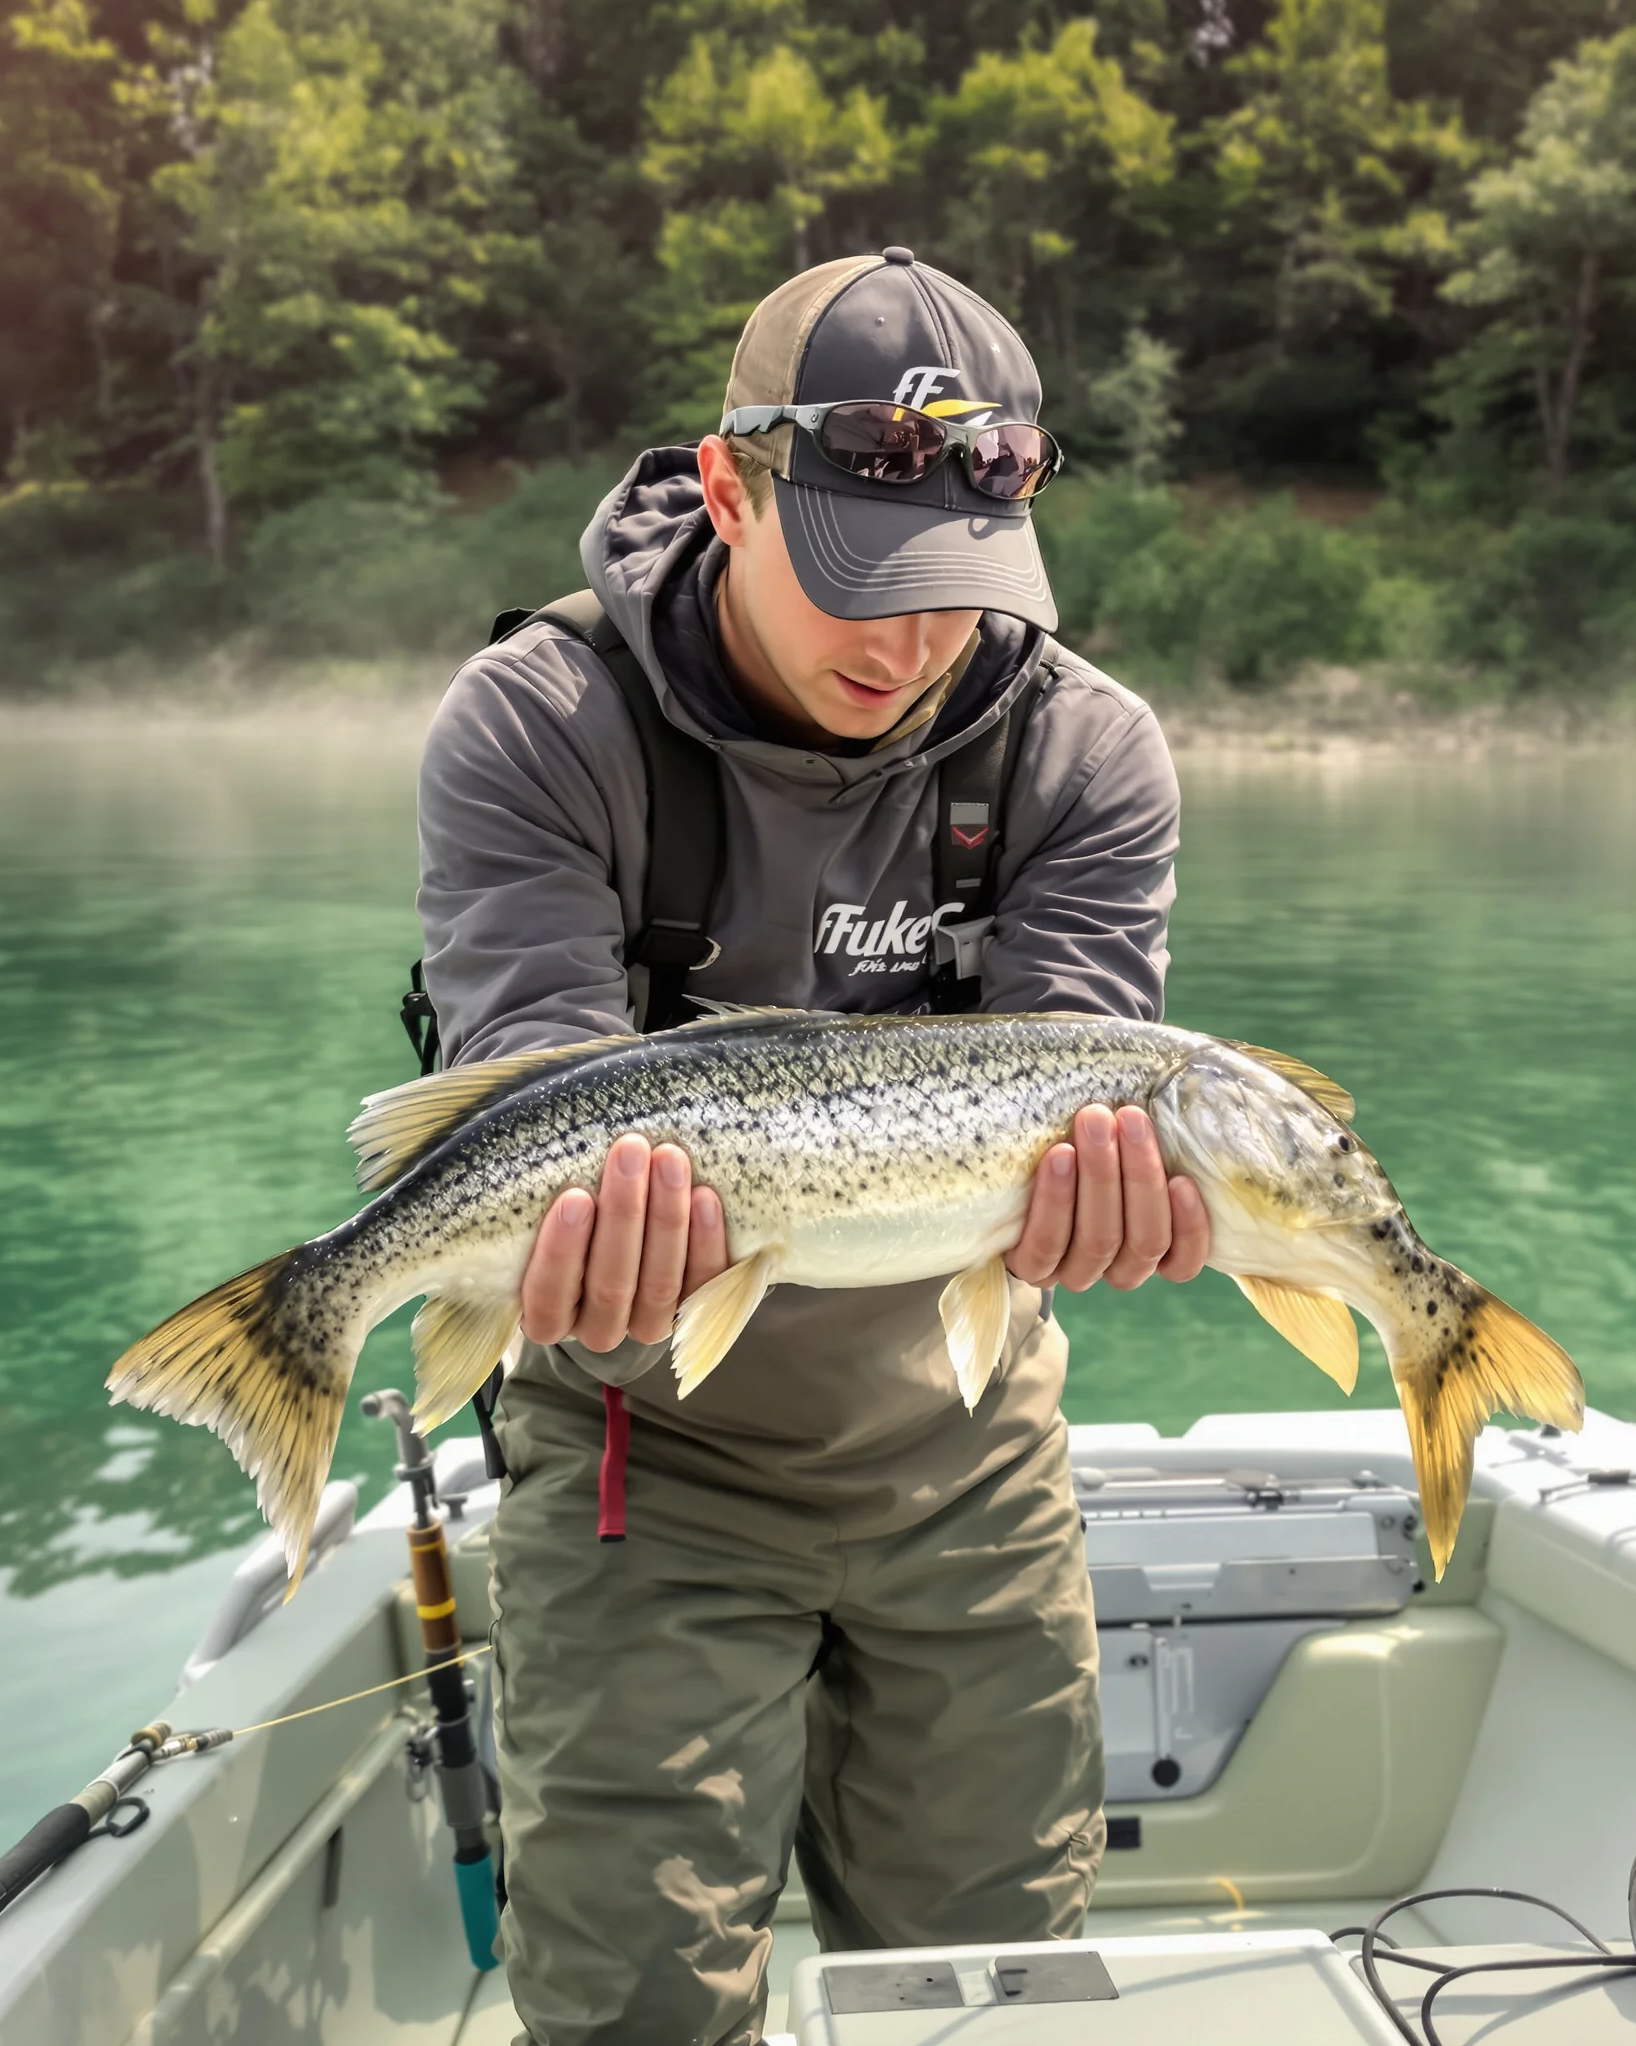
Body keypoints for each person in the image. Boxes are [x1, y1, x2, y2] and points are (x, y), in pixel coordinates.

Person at [417, 247, 1211, 2046]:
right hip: (643, 1453)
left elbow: (1080, 1082)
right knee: (630, 2013)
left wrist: (1108, 1203)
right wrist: (572, 1236)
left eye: (955, 590)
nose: (909, 645)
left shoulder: (1087, 751)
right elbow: (524, 1069)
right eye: (862, 579)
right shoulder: (541, 721)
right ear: (727, 488)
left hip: (966, 1454)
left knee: (994, 1999)